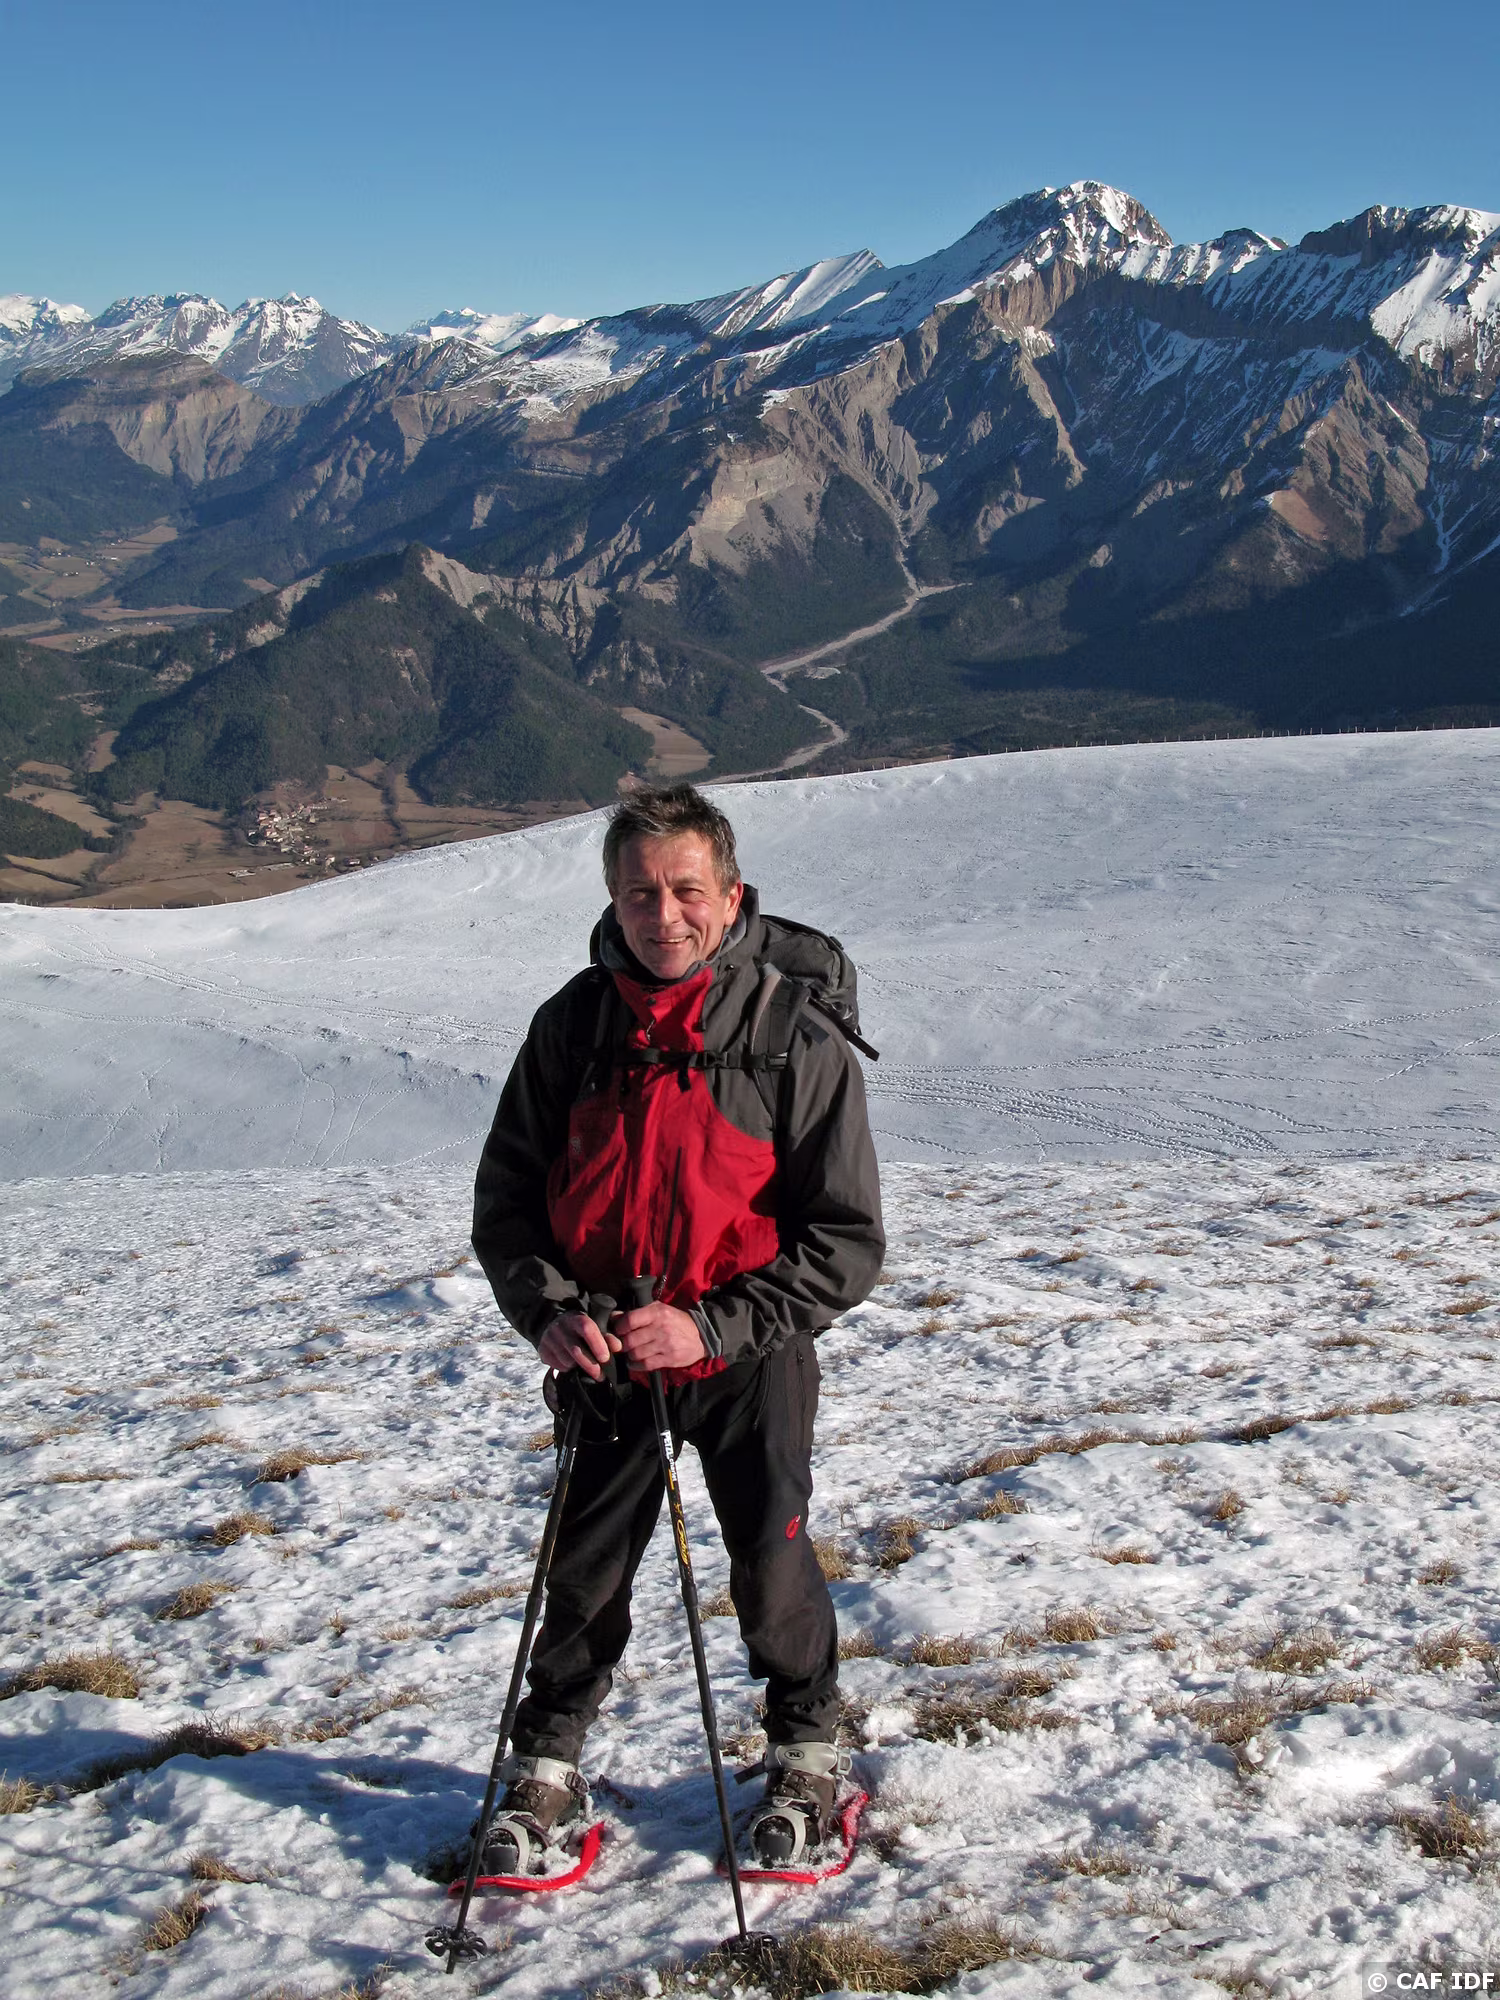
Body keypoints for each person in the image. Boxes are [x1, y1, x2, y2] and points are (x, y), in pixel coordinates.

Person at [469, 782, 884, 1872]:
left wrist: (711, 1326)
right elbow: (508, 1201)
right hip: (606, 1353)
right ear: (613, 898)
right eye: (640, 892)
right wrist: (548, 1312)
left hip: (748, 1358)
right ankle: (546, 1768)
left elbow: (845, 1240)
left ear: (732, 894)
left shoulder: (794, 1032)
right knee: (585, 1571)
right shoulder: (573, 1025)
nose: (665, 914)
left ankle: (807, 1747)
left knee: (770, 1557)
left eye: (687, 890)